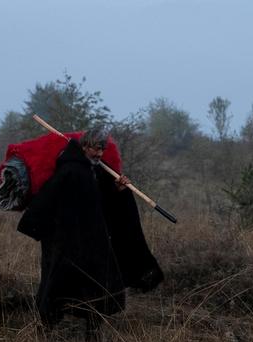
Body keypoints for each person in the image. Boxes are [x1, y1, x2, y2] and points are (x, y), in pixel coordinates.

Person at [16, 127, 163, 331]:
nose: (99, 154)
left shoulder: (93, 169)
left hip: (91, 242)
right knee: (58, 284)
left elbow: (98, 200)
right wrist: (37, 226)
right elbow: (49, 200)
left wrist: (117, 190)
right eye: (95, 148)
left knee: (95, 286)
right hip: (65, 243)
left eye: (102, 149)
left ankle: (91, 332)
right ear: (84, 146)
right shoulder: (69, 170)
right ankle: (47, 329)